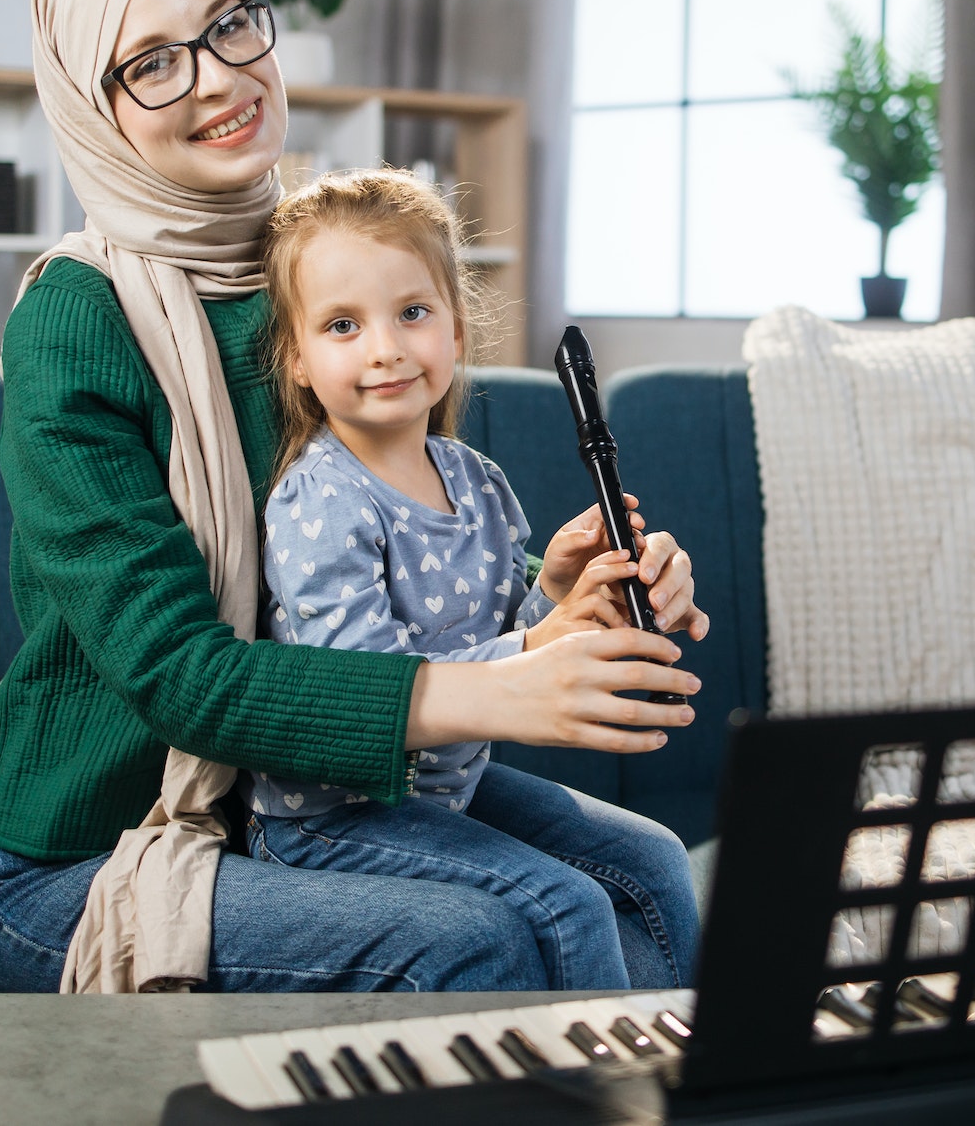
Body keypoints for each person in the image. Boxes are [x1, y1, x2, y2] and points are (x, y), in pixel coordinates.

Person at [0, 0, 706, 995]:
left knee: (641, 865)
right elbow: (178, 675)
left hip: (304, 784)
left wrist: (556, 599)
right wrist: (508, 689)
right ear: (91, 105)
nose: (215, 80)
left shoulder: (325, 274)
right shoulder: (76, 323)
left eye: (227, 26)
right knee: (473, 939)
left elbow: (392, 538)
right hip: (100, 844)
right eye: (154, 64)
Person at [244, 169, 701, 990]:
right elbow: (372, 692)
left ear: (455, 329)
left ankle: (687, 1070)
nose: (385, 347)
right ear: (297, 360)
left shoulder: (477, 479)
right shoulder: (321, 500)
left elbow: (499, 630)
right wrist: (535, 642)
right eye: (343, 324)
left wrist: (561, 593)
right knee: (568, 904)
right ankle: (595, 1095)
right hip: (334, 817)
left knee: (655, 856)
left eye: (412, 313)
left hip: (447, 793)